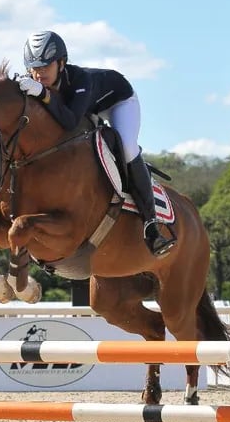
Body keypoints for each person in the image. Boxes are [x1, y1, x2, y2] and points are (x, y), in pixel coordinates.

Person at [18, 30, 176, 257]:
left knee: (127, 146)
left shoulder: (81, 81)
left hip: (118, 102)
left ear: (61, 63)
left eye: (45, 66)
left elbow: (70, 121)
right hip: (85, 109)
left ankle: (151, 224)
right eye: (34, 68)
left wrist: (43, 93)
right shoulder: (33, 82)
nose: (38, 73)